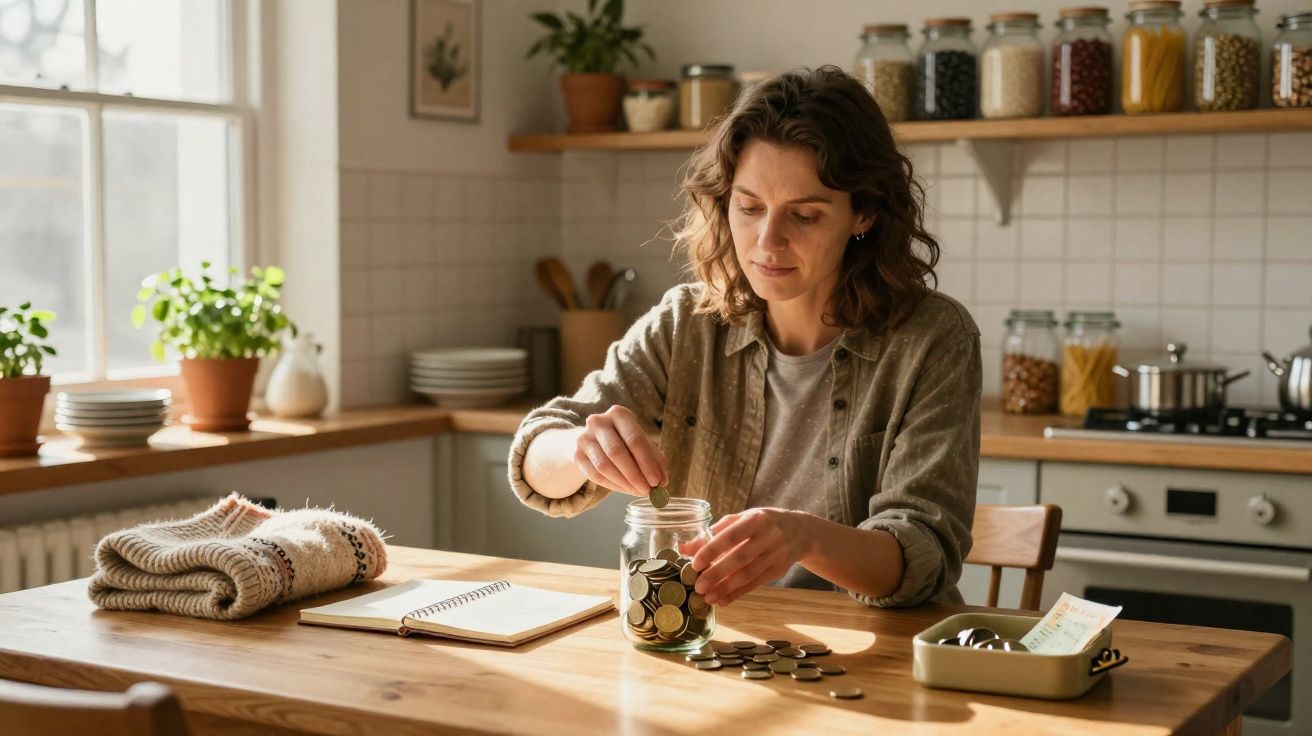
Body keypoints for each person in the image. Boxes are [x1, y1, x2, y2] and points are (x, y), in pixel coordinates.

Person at [507, 65, 980, 609]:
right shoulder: (688, 322)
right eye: (749, 207)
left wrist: (806, 536)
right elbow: (537, 457)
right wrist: (579, 448)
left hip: (876, 651)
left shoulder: (933, 339)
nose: (766, 242)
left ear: (864, 214)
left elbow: (923, 554)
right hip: (714, 637)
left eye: (804, 215)